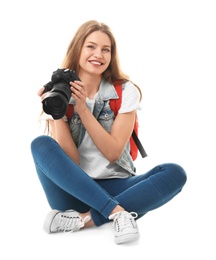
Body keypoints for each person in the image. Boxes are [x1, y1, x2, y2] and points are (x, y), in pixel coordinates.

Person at [30, 20, 187, 245]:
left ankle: (86, 219)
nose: (99, 54)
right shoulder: (61, 94)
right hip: (75, 190)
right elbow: (71, 163)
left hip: (117, 186)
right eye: (91, 47)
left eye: (106, 49)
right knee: (40, 144)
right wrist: (57, 113)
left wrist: (84, 109)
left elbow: (113, 153)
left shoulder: (124, 91)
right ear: (78, 49)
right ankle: (120, 212)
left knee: (175, 172)